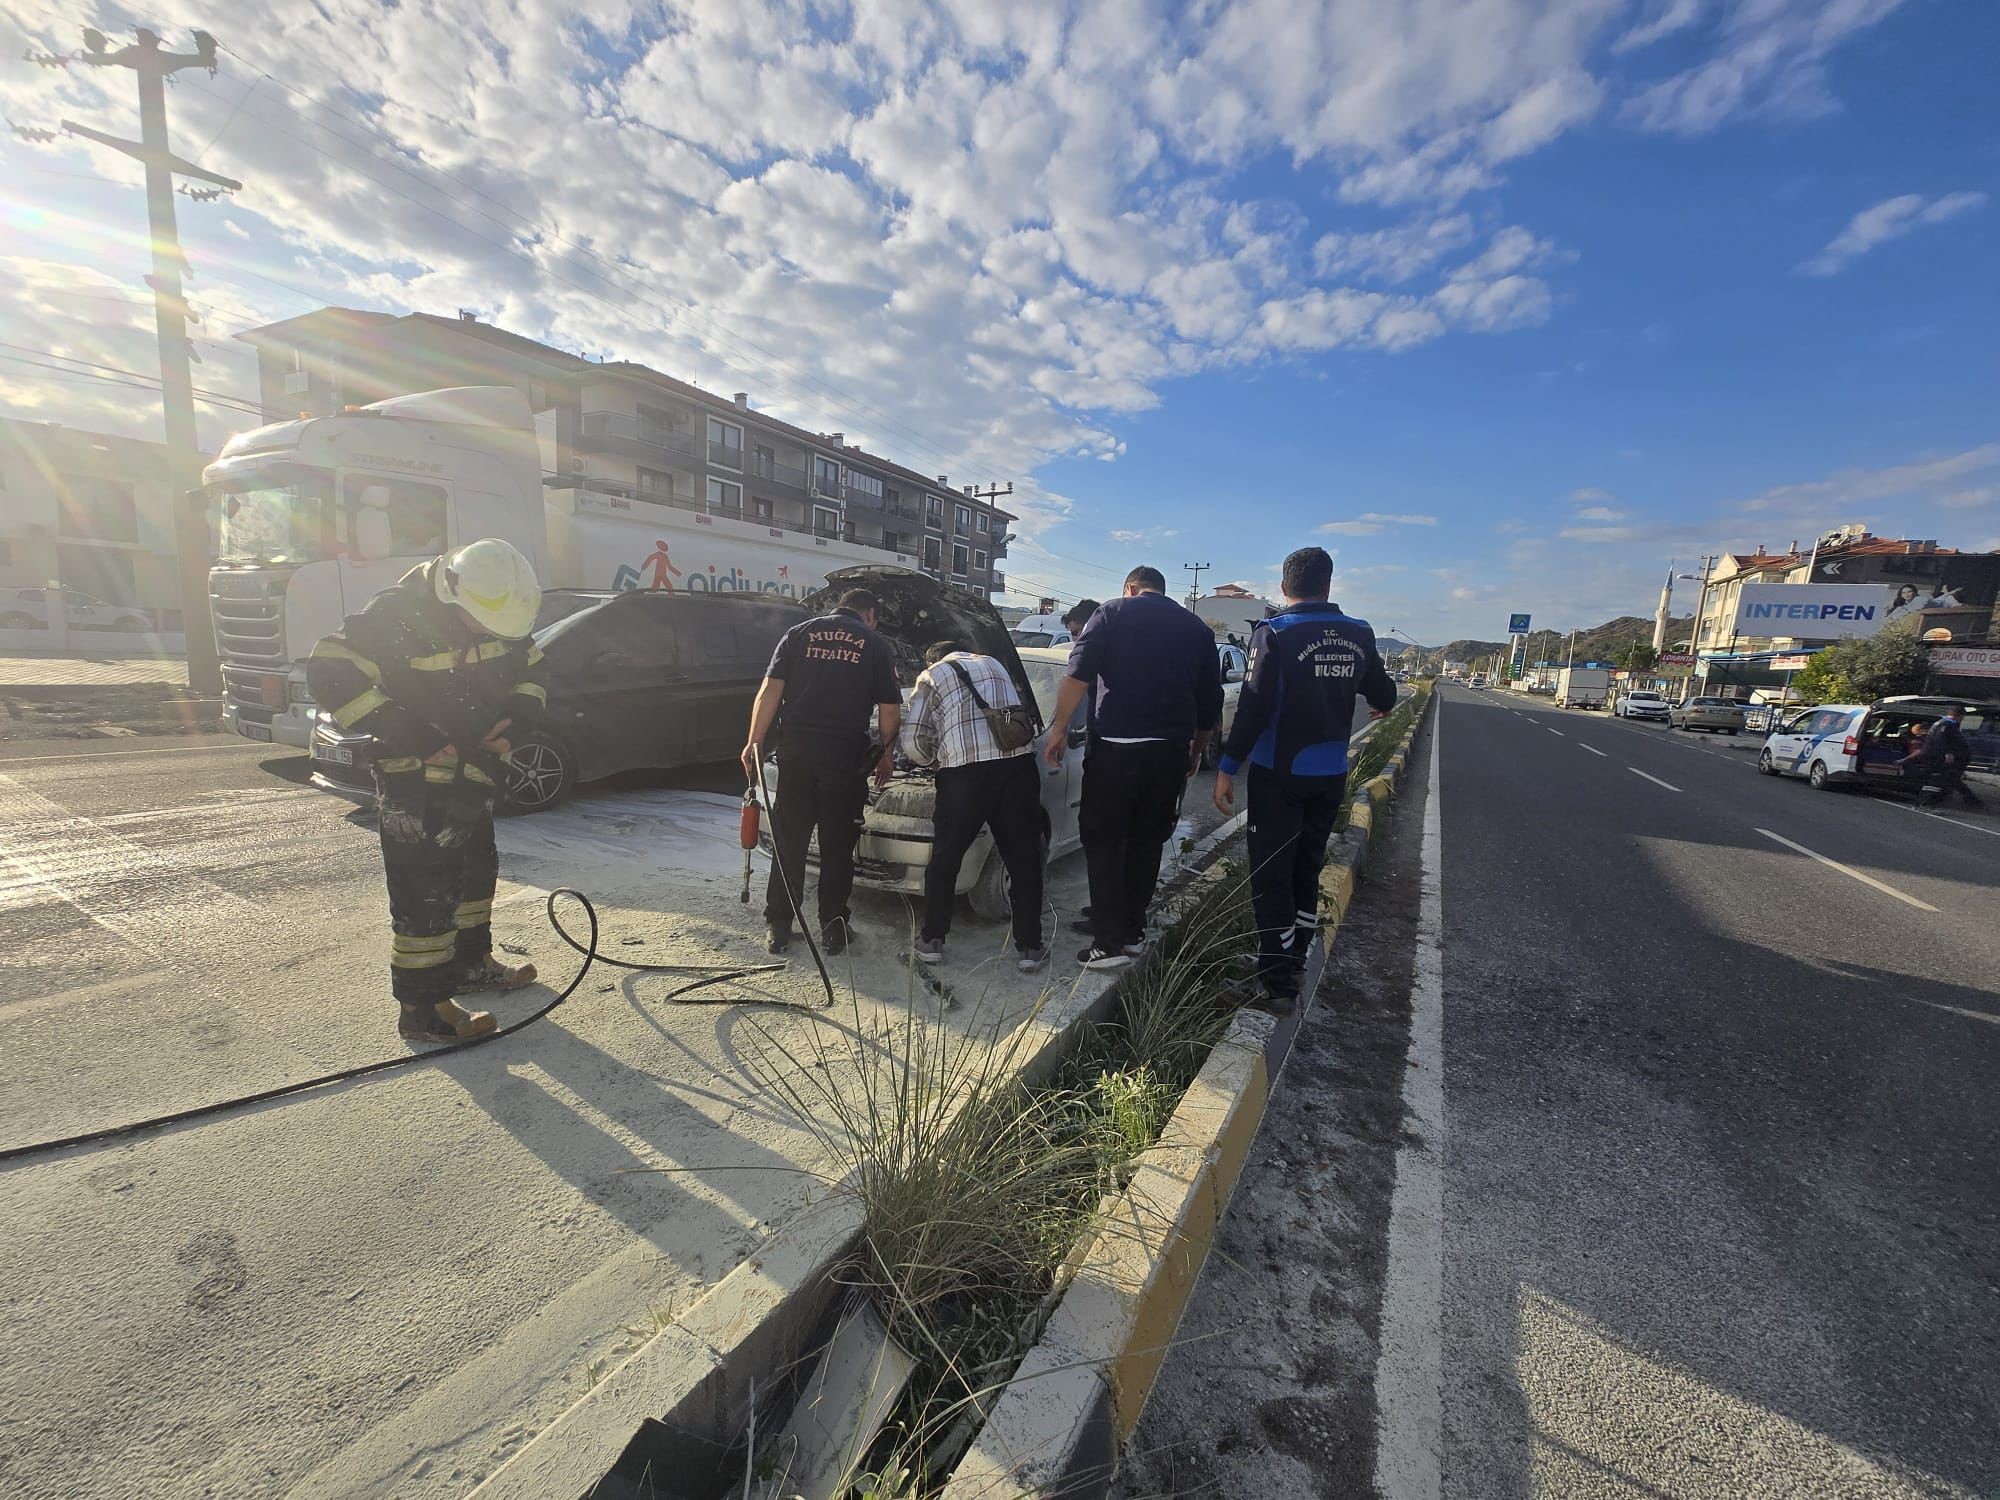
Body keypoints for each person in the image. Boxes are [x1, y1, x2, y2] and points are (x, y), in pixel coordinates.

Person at [305, 538, 546, 1044]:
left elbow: (533, 669)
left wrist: (520, 717)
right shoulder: (395, 617)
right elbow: (329, 669)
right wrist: (409, 732)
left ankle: (471, 963)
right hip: (415, 776)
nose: (486, 633)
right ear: (453, 596)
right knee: (425, 889)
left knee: (476, 870)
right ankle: (422, 1006)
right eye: (480, 623)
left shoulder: (499, 613)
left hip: (474, 769)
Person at [1213, 547, 1396, 1009]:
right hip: (1331, 773)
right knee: (1306, 870)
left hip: (1280, 775)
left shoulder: (1274, 633)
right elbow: (1383, 691)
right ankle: (1292, 961)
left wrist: (1228, 768)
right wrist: (1383, 704)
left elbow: (1252, 709)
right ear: (1329, 585)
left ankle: (1276, 984)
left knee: (1271, 876)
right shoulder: (1360, 633)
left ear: (1283, 586)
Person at [1044, 566, 1223, 969]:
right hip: (1169, 753)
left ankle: (1107, 945)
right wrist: (1195, 749)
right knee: (1146, 840)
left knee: (1104, 839)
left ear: (1130, 587)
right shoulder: (1197, 630)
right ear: (1161, 590)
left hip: (1116, 751)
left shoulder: (1111, 612)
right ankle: (1131, 930)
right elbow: (1209, 700)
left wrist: (1058, 729)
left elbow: (1078, 674)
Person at [742, 588, 902, 956]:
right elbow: (890, 710)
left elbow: (770, 691)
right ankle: (833, 927)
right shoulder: (874, 643)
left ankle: (779, 926)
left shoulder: (798, 634)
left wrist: (754, 741)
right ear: (870, 614)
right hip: (844, 758)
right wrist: (886, 755)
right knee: (836, 845)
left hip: (797, 753)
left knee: (790, 841)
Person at [899, 640, 1048, 972]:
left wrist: (932, 759)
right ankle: (1030, 948)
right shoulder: (995, 664)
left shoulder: (931, 675)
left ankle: (932, 941)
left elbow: (912, 740)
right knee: (1024, 860)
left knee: (946, 859)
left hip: (965, 777)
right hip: (1018, 769)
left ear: (932, 658)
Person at [1902, 704, 1985, 808]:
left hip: (1936, 758)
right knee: (1937, 781)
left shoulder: (1941, 723)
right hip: (1938, 758)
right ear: (1960, 716)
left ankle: (1922, 803)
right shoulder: (1946, 725)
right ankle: (1924, 804)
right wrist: (1948, 753)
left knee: (1943, 781)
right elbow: (1941, 741)